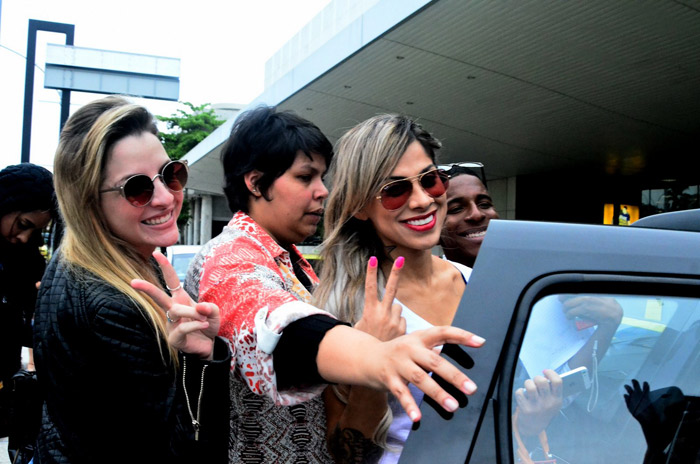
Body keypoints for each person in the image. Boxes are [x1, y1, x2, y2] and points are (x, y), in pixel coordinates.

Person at [184, 106, 483, 463]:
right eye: (305, 177)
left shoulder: (302, 270)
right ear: (255, 182)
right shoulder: (230, 255)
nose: (323, 191)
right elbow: (266, 317)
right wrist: (374, 355)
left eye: (431, 179)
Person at [33, 96, 231, 464]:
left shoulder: (99, 261)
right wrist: (201, 359)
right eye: (137, 188)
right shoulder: (111, 305)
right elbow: (177, 451)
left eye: (171, 174)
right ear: (90, 202)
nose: (165, 198)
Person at [313, 114, 483, 463]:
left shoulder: (474, 281)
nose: (422, 200)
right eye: (394, 190)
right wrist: (372, 361)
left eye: (430, 180)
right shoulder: (341, 307)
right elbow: (347, 456)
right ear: (360, 207)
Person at [438, 164, 623, 461]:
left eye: (484, 203)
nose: (476, 214)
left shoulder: (536, 286)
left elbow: (565, 381)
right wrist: (524, 427)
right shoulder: (425, 304)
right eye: (456, 208)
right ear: (434, 223)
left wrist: (608, 325)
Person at [0, 163, 54, 441]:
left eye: (34, 232)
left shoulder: (27, 260)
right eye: (23, 224)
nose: (23, 237)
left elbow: (23, 329)